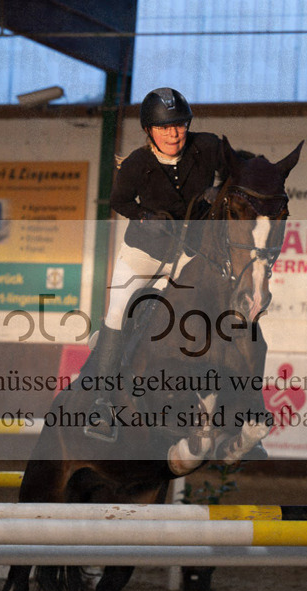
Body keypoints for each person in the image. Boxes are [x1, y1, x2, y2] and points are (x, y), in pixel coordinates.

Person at [84, 87, 225, 441]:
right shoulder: (135, 163)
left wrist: (219, 190)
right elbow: (119, 200)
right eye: (165, 128)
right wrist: (145, 215)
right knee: (117, 314)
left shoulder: (207, 147)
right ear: (150, 131)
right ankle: (102, 404)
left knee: (202, 311)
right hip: (143, 254)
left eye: (179, 125)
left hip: (188, 253)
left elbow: (236, 169)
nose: (174, 134)